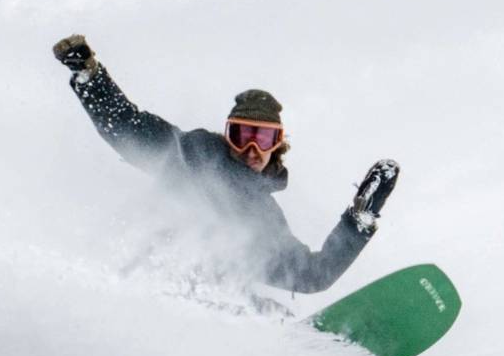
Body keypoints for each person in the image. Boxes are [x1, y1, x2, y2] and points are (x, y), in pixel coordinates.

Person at [53, 34, 397, 294]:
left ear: (277, 146)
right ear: (226, 135)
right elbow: (125, 127)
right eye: (241, 134)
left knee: (259, 307)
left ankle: (276, 338)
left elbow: (310, 276)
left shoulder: (263, 216)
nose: (252, 148)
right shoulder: (187, 155)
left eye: (263, 138)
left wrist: (359, 221)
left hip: (198, 304)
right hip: (135, 274)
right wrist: (89, 75)